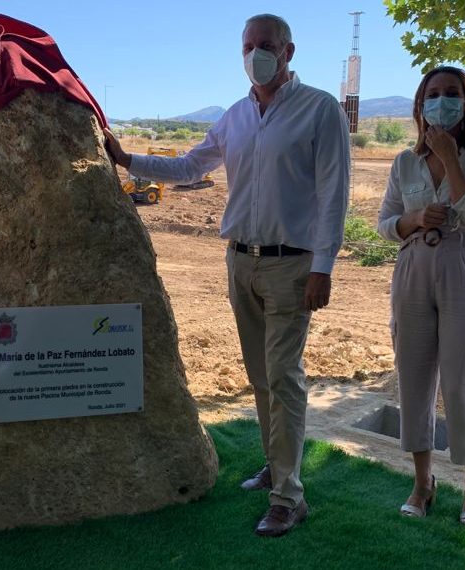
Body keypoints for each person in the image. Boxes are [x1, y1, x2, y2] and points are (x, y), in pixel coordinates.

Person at [104, 13, 350, 537]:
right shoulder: (235, 116)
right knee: (260, 376)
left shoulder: (320, 109)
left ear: (288, 51)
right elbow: (190, 166)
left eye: (266, 45)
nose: (256, 54)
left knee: (283, 377)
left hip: (292, 265)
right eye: (248, 46)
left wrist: (323, 266)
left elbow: (334, 192)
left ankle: (289, 497)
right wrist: (128, 159)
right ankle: (275, 466)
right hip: (240, 261)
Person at [376, 66, 465, 524]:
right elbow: (385, 223)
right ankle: (422, 481)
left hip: (464, 268)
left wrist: (451, 159)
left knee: (462, 377)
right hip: (412, 266)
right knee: (413, 376)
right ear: (420, 104)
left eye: (452, 93)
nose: (441, 101)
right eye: (432, 94)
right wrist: (413, 220)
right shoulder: (404, 162)